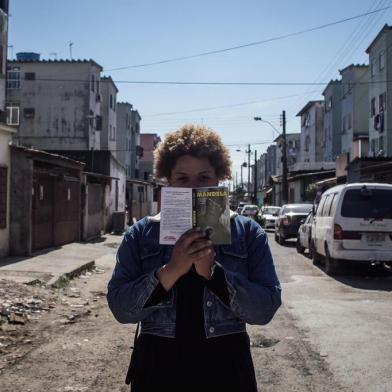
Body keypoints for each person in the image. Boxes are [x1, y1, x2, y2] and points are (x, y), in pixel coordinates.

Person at [107, 124, 281, 392]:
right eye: (182, 178)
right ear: (167, 179)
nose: (192, 188)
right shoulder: (142, 233)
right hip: (157, 373)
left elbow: (265, 309)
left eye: (203, 178)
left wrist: (213, 273)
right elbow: (120, 309)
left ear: (219, 178)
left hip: (227, 374)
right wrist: (171, 270)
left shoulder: (247, 232)